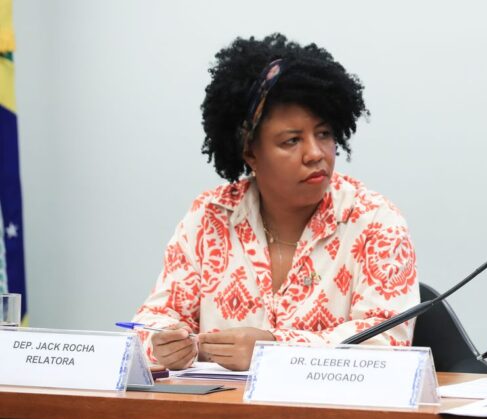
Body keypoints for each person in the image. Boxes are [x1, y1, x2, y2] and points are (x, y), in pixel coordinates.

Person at [132, 33, 419, 371]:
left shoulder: (375, 221)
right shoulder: (210, 217)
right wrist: (164, 342)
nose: (315, 154)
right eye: (292, 140)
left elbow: (387, 345)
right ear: (250, 152)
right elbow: (151, 323)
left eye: (324, 134)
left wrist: (274, 348)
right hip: (221, 416)